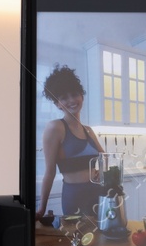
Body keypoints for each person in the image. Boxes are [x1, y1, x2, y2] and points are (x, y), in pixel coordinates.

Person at [37, 65, 105, 222]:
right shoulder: (55, 127)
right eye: (64, 97)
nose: (71, 100)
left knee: (101, 243)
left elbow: (105, 157)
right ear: (57, 104)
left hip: (97, 195)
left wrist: (101, 172)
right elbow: (49, 172)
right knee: (79, 243)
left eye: (74, 94)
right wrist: (42, 208)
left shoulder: (88, 130)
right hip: (75, 197)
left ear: (82, 96)